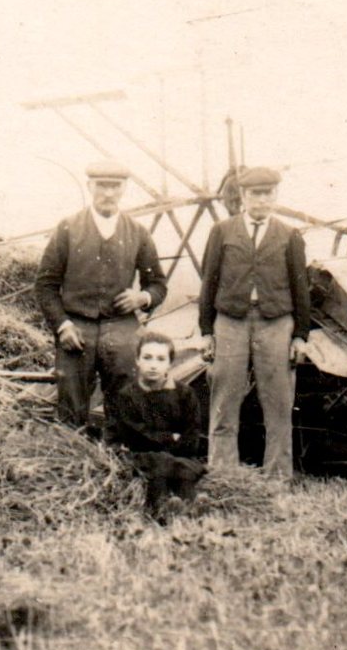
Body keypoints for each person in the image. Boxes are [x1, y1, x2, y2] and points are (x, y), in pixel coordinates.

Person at [34, 160, 168, 436]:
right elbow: (45, 285)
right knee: (71, 402)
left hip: (121, 327)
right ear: (90, 186)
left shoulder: (138, 233)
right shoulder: (68, 229)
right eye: (102, 186)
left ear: (123, 190)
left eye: (115, 187)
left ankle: (121, 464)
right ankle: (70, 465)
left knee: (127, 399)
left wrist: (142, 298)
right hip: (76, 327)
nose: (108, 193)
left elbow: (157, 284)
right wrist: (62, 326)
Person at [198, 165, 314, 478]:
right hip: (230, 320)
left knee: (277, 404)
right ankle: (223, 476)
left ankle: (277, 479)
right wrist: (207, 331)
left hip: (275, 322)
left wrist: (300, 335)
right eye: (254, 194)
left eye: (267, 193)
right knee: (224, 399)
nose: (261, 201)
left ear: (275, 195)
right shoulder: (222, 231)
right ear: (243, 196)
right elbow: (209, 281)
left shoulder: (289, 235)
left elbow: (300, 287)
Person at [103, 331, 205, 522]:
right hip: (143, 456)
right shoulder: (127, 395)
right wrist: (169, 438)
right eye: (147, 358)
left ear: (170, 363)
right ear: (137, 360)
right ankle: (160, 510)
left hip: (177, 455)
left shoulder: (184, 394)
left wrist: (172, 442)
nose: (153, 365)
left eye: (160, 359)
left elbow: (191, 435)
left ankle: (189, 508)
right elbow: (135, 436)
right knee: (158, 464)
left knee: (183, 467)